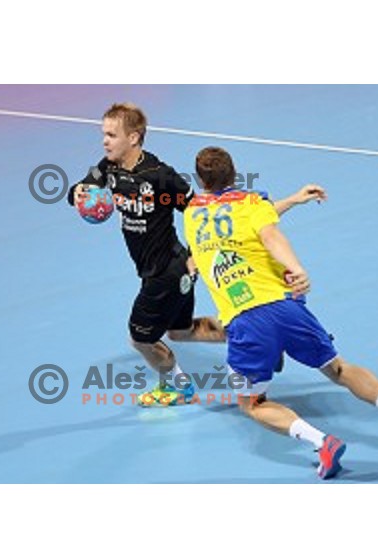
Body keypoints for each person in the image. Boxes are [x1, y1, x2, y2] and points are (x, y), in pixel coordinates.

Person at [184, 146, 378, 479]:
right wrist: (296, 262)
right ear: (233, 173)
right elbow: (264, 229)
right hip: (286, 307)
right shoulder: (252, 204)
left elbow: (256, 230)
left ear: (199, 180)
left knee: (251, 404)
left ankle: (321, 442)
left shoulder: (191, 214)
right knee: (339, 368)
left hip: (245, 321)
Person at [67, 103, 326, 406]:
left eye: (111, 135)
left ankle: (176, 386)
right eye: (104, 134)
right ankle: (261, 339)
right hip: (175, 271)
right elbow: (83, 186)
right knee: (181, 331)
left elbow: (206, 214)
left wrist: (195, 257)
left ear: (134, 138)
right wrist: (76, 193)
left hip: (165, 272)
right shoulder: (107, 167)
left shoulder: (160, 176)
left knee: (140, 339)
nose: (105, 141)